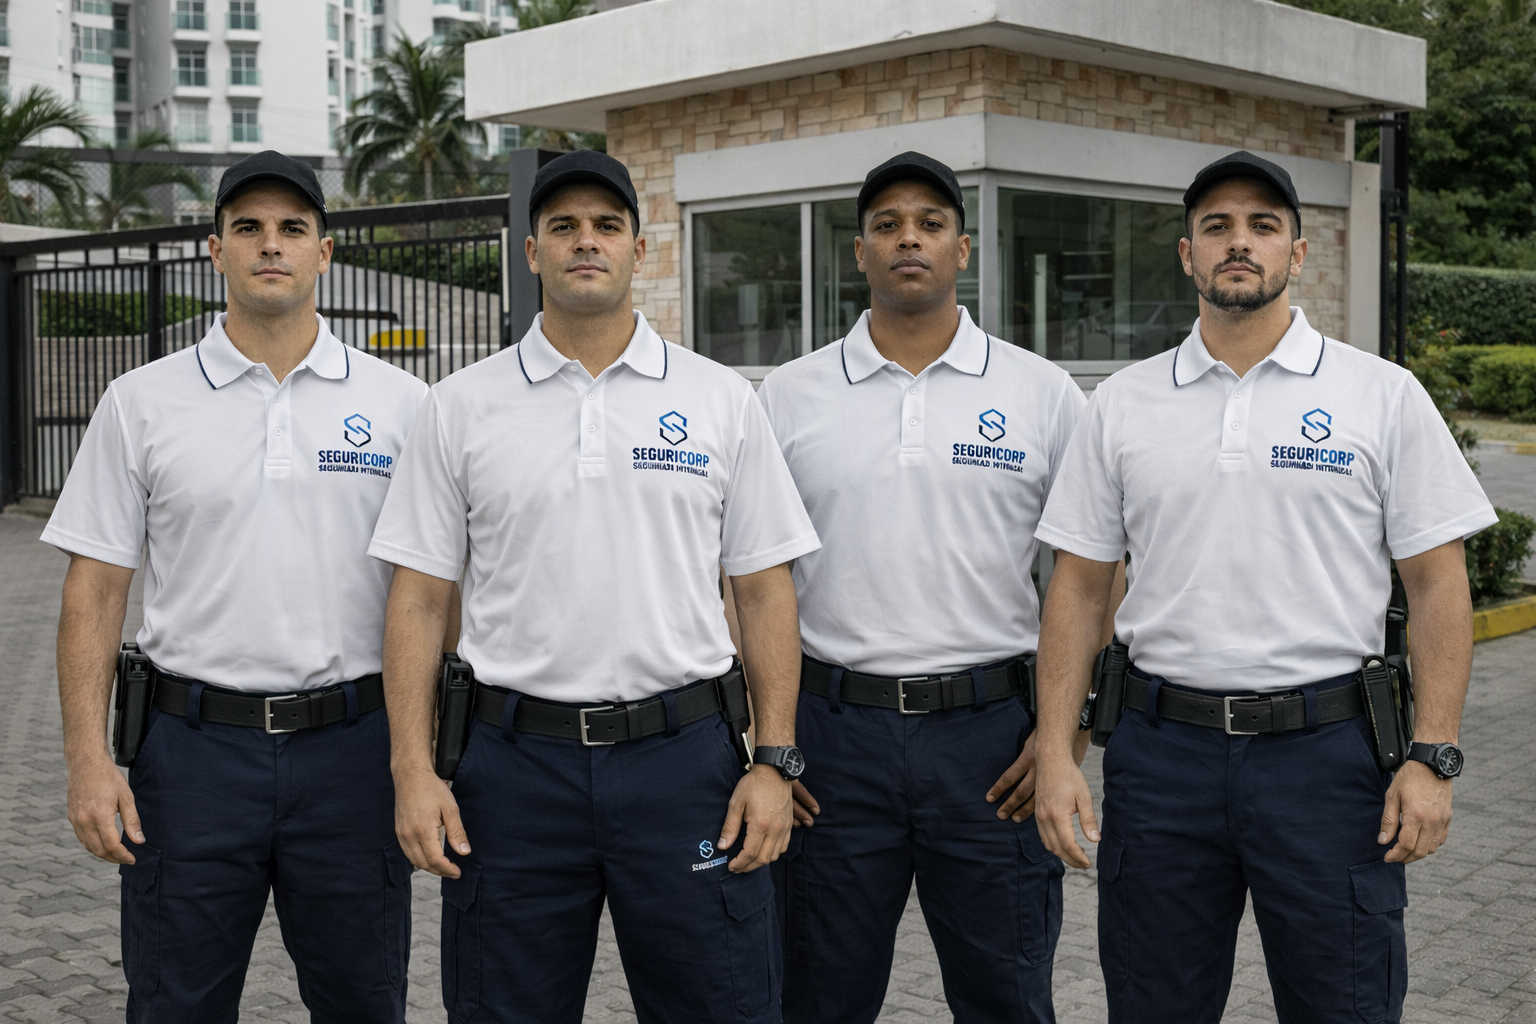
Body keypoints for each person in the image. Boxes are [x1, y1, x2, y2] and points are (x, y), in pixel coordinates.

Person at [1031, 150, 1496, 1024]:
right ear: (1186, 254)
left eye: (1261, 226)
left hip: (1327, 759)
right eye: (1217, 227)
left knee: (1345, 1004)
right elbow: (1081, 589)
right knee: (1153, 1004)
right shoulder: (1123, 405)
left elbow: (1438, 585)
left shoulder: (1382, 396)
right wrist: (1058, 752)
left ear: (1298, 252)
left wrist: (1432, 757)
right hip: (1161, 759)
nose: (1238, 243)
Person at [370, 149, 821, 1024]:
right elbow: (419, 599)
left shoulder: (721, 399)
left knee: (722, 1005)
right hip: (511, 769)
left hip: (683, 759)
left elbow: (765, 591)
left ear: (639, 250)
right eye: (565, 227)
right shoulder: (458, 407)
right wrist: (411, 770)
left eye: (607, 227)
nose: (587, 243)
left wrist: (774, 761)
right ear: (532, 252)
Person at [45, 151, 431, 1022]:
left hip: (352, 754)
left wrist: (425, 760)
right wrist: (86, 760)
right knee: (174, 1003)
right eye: (248, 229)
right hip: (189, 757)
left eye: (292, 229)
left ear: (324, 254)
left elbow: (433, 590)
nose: (271, 246)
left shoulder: (404, 404)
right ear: (214, 250)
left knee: (366, 1002)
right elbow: (95, 592)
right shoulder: (141, 402)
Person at [756, 152, 1106, 1024]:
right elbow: (748, 580)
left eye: (930, 222)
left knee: (1007, 996)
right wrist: (773, 741)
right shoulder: (787, 399)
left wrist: (1065, 732)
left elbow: (1096, 571)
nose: (908, 236)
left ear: (963, 248)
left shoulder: (1043, 393)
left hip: (992, 744)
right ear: (859, 253)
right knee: (819, 996)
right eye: (886, 224)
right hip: (832, 742)